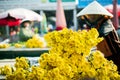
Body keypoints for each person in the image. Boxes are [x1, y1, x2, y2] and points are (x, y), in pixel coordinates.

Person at [77, 1, 120, 72]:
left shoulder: (106, 23)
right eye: (90, 16)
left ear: (100, 15)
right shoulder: (96, 25)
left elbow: (101, 34)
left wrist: (85, 39)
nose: (92, 17)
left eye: (94, 15)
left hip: (115, 55)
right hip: (105, 56)